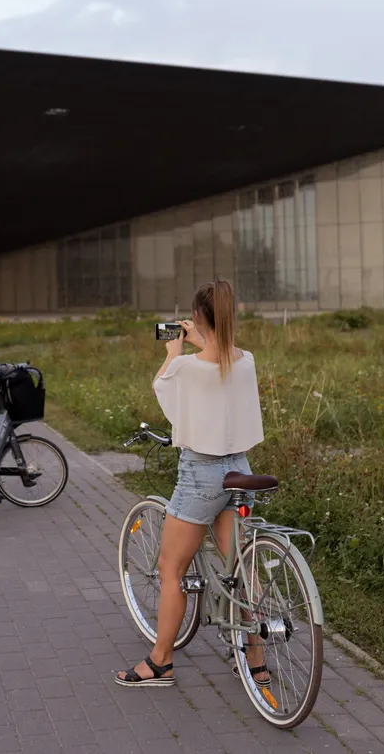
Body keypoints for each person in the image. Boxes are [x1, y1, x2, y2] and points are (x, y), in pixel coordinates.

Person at [114, 278, 268, 688]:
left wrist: (174, 349)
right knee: (240, 566)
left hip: (201, 475)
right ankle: (257, 660)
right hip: (239, 470)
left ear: (198, 317)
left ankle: (160, 662)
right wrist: (204, 342)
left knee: (171, 568)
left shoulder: (185, 367)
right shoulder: (247, 360)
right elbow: (220, 365)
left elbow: (162, 389)